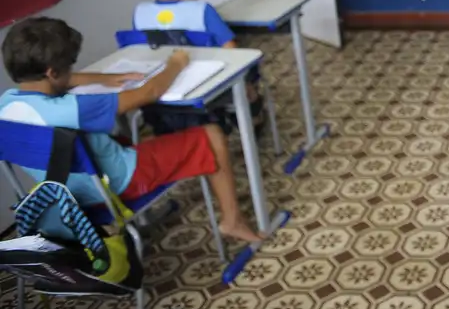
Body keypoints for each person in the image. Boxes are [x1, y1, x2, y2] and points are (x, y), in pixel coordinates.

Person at [0, 17, 262, 243]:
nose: (73, 70)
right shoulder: (73, 109)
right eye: (70, 65)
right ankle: (233, 220)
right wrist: (177, 63)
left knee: (119, 138)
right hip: (118, 183)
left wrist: (103, 79)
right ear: (52, 72)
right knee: (212, 134)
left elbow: (60, 82)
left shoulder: (6, 106)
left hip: (69, 195)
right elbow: (150, 92)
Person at [133, 0, 263, 132]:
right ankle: (251, 115)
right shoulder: (202, 11)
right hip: (205, 86)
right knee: (248, 66)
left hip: (161, 88)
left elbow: (141, 52)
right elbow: (231, 50)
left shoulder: (141, 13)